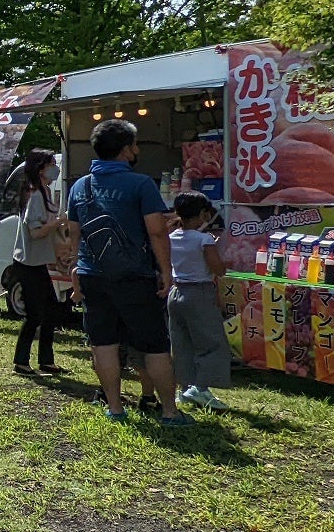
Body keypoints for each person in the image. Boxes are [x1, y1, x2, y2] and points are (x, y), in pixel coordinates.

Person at [65, 119, 191, 426]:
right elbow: (157, 233)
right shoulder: (140, 184)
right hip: (135, 277)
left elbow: (73, 234)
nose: (136, 150)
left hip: (93, 275)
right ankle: (169, 412)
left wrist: (76, 270)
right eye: (134, 145)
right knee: (154, 345)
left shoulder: (80, 186)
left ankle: (115, 408)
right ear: (125, 150)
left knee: (103, 343)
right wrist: (166, 271)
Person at [166, 193, 233, 412]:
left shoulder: (172, 236)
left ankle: (184, 389)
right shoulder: (204, 240)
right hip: (199, 293)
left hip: (176, 293)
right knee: (212, 342)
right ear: (203, 214)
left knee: (181, 343)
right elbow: (218, 269)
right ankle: (201, 388)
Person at [5, 150, 66, 376]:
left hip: (37, 262)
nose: (54, 168)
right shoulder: (35, 194)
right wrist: (59, 222)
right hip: (27, 263)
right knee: (35, 315)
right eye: (51, 164)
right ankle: (21, 363)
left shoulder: (45, 191)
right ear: (41, 168)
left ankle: (46, 361)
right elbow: (36, 232)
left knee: (51, 311)